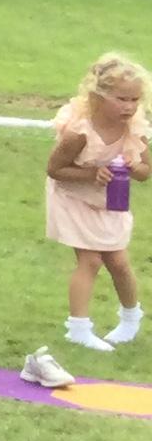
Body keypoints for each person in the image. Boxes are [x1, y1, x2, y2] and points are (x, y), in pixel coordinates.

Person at [47, 51, 151, 356]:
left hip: (111, 199)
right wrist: (92, 173)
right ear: (98, 97)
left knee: (118, 261)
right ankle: (78, 328)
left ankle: (130, 318)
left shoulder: (135, 129)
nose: (129, 107)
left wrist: (133, 167)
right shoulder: (80, 132)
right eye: (121, 99)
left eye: (134, 100)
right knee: (90, 260)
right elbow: (55, 169)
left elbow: (146, 172)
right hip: (74, 197)